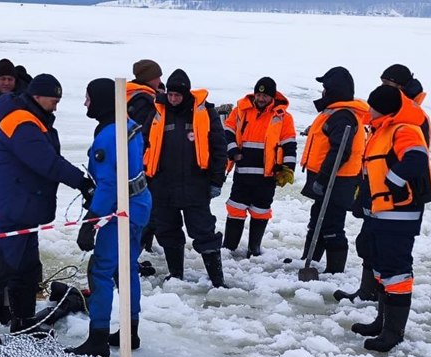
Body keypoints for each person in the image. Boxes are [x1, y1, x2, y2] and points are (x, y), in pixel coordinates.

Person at [0, 74, 95, 342]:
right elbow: (47, 162)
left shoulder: (34, 120)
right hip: (12, 210)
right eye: (54, 100)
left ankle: (23, 322)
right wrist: (82, 183)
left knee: (27, 270)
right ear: (38, 96)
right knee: (0, 269)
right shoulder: (21, 122)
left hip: (24, 209)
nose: (56, 106)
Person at [66, 78, 152, 357]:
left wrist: (90, 223)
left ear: (101, 101)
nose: (85, 104)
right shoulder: (128, 125)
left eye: (88, 98)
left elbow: (109, 185)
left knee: (100, 270)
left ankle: (98, 339)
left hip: (120, 212)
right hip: (139, 205)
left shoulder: (108, 136)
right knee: (125, 269)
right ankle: (131, 331)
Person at [349, 84, 431, 352]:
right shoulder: (380, 131)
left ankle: (393, 332)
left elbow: (416, 159)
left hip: (400, 213)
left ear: (383, 108)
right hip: (381, 212)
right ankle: (381, 321)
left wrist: (393, 181)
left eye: (373, 105)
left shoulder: (403, 130)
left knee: (395, 271)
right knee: (380, 266)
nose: (369, 109)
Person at [335, 64, 431, 302]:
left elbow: (415, 157)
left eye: (388, 84)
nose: (383, 87)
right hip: (375, 188)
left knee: (391, 255)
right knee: (369, 243)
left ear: (401, 86)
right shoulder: (384, 112)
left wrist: (393, 181)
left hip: (397, 196)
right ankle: (368, 291)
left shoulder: (411, 118)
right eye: (382, 82)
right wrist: (363, 187)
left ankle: (383, 301)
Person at [143, 68, 227, 288]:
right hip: (162, 186)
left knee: (204, 231)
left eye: (177, 95)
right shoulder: (157, 112)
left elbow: (219, 148)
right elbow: (143, 145)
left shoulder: (206, 114)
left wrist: (217, 181)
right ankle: (176, 274)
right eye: (170, 94)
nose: (172, 99)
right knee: (167, 230)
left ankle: (217, 280)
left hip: (195, 185)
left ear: (186, 94)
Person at [299, 66, 369, 274]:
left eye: (325, 88)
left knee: (331, 225)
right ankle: (311, 261)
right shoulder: (336, 111)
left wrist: (323, 178)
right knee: (317, 220)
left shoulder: (343, 116)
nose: (322, 92)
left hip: (337, 181)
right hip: (329, 178)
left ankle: (335, 270)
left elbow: (340, 151)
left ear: (333, 90)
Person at [222, 77, 297, 257]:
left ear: (272, 97)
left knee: (261, 212)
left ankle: (254, 250)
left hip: (268, 175)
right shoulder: (241, 111)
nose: (261, 98)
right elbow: (228, 131)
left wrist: (287, 168)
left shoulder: (283, 117)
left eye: (265, 95)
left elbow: (289, 144)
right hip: (243, 172)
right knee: (235, 209)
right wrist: (232, 151)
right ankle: (228, 249)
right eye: (258, 94)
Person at [128, 59, 162, 253]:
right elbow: (144, 132)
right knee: (147, 209)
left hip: (132, 160)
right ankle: (136, 251)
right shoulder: (143, 100)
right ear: (149, 78)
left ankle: (142, 247)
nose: (159, 81)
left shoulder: (128, 95)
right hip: (143, 162)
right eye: (157, 77)